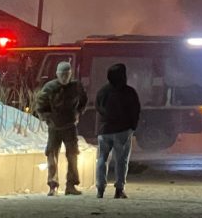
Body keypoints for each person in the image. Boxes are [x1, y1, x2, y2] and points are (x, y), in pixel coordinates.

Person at [34, 60, 89, 196]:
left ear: (70, 74)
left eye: (67, 74)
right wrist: (48, 118)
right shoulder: (50, 87)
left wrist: (78, 112)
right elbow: (40, 105)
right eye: (62, 74)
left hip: (70, 126)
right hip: (54, 127)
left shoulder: (76, 86)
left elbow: (83, 100)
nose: (64, 77)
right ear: (57, 74)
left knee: (73, 155)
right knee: (52, 155)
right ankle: (53, 185)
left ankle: (71, 185)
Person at [94, 63, 141, 199]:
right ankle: (119, 189)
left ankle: (100, 188)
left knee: (102, 158)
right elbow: (135, 110)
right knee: (121, 160)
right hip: (122, 130)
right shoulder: (129, 92)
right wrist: (133, 127)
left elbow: (98, 108)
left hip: (104, 130)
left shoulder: (102, 91)